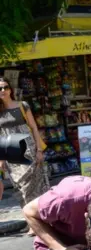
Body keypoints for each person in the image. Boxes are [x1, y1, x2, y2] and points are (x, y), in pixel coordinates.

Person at [0, 77, 50, 235]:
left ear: (10, 89)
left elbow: (34, 128)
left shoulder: (22, 105)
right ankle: (32, 221)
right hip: (10, 153)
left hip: (27, 148)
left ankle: (38, 221)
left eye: (5, 87)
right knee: (19, 187)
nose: (2, 91)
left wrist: (39, 150)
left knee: (32, 185)